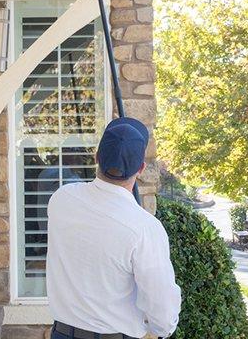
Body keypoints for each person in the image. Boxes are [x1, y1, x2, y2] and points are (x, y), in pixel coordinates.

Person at [46, 117, 181, 339]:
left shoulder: (61, 199)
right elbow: (162, 310)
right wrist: (161, 329)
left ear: (97, 157)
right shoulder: (144, 228)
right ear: (141, 169)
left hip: (61, 333)